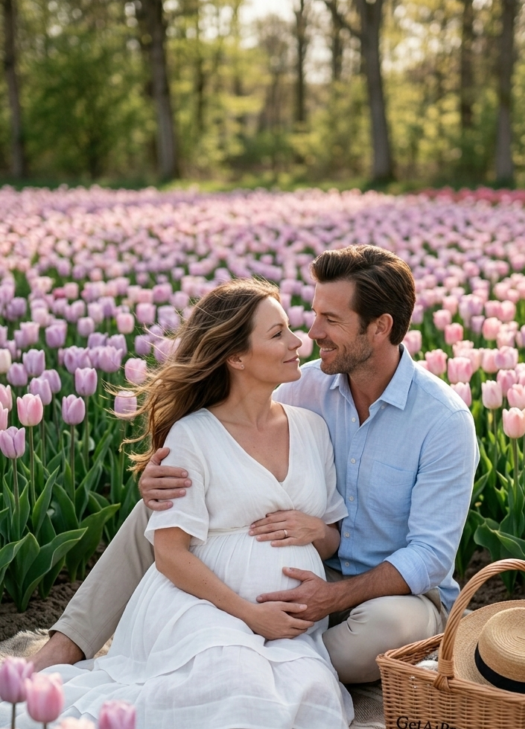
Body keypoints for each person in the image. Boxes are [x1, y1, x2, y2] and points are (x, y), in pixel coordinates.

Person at [36, 245, 479, 684]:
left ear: (380, 327)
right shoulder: (303, 386)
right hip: (302, 573)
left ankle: (254, 664)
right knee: (163, 501)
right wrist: (159, 476)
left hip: (389, 597)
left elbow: (430, 556)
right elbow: (226, 439)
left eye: (331, 319)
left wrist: (332, 595)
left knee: (386, 628)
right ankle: (67, 644)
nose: (311, 333)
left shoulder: (443, 422)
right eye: (313, 313)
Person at [11, 279, 353, 729]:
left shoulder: (311, 427)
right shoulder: (194, 434)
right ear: (236, 357)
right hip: (204, 605)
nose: (298, 343)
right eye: (278, 334)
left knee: (312, 697)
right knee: (228, 678)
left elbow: (332, 539)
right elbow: (170, 555)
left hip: (288, 620)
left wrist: (318, 532)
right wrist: (250, 614)